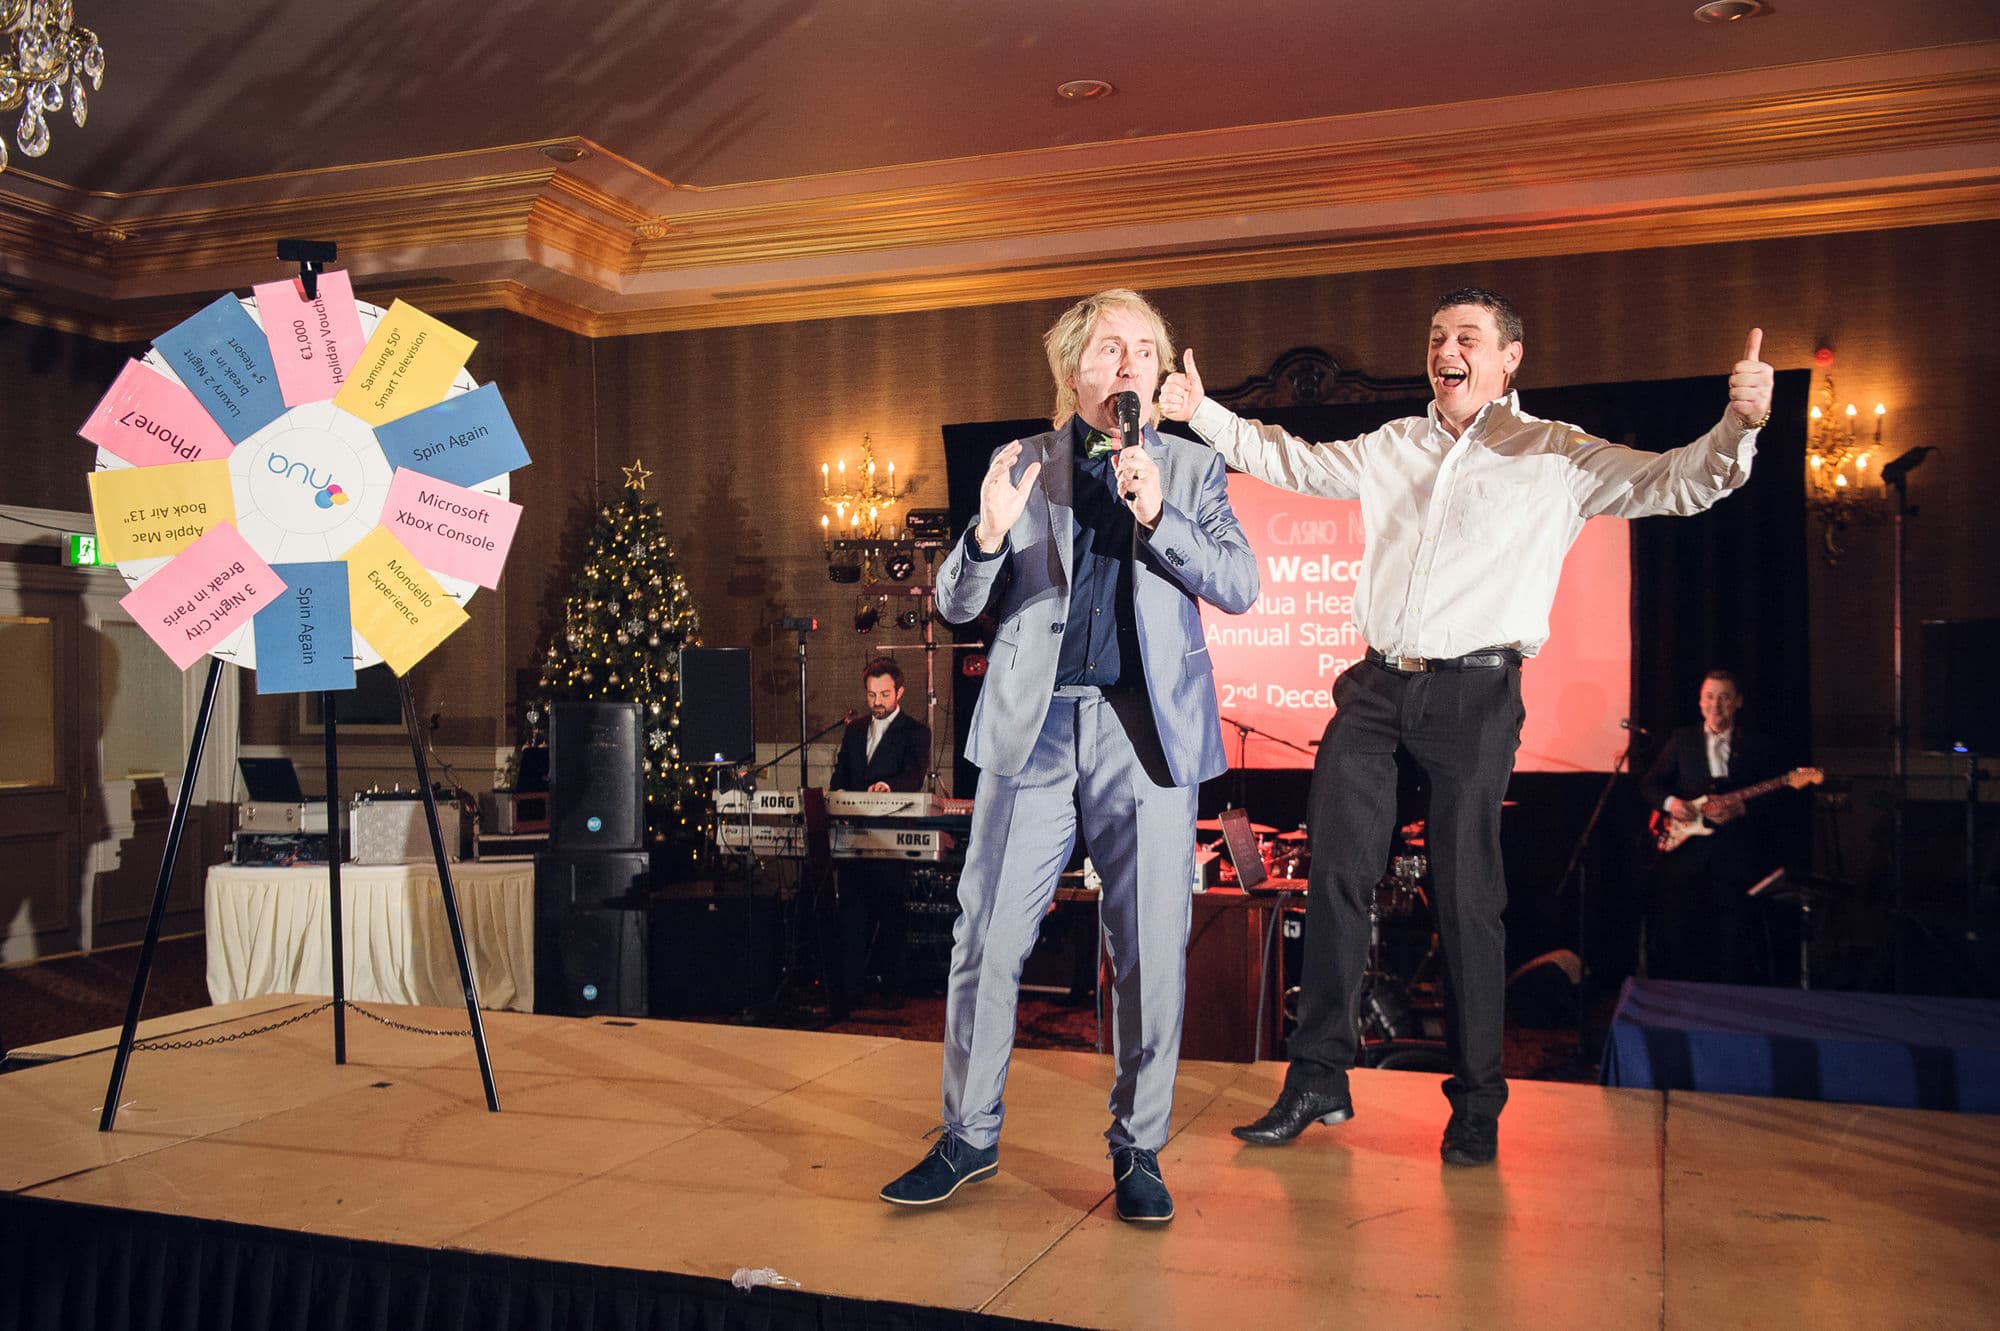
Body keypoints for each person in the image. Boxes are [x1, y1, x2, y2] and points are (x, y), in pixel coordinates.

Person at [1157, 287, 1773, 1166]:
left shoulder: (1553, 452)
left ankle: (1477, 1099)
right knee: (1333, 869)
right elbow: (1290, 462)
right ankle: (1318, 1075)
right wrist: (1204, 413)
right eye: (1438, 336)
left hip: (1477, 693)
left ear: (1509, 358)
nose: (1447, 349)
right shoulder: (1395, 444)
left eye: (1468, 338)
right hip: (1376, 686)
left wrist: (1739, 426)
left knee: (1465, 893)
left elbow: (1676, 481)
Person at [879, 288, 1258, 1223]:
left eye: (1144, 349)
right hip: (1034, 729)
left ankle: (1139, 1148)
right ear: (1072, 369)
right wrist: (986, 535)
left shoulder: (1194, 468)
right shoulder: (1021, 464)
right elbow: (958, 604)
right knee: (985, 937)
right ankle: (967, 1138)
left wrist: (1162, 514)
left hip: (1147, 734)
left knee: (1150, 951)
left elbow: (1241, 584)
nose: (1128, 363)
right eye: (1108, 348)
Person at [1640, 670, 1783, 984]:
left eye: (1724, 696)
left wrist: (1743, 807)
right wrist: (1672, 804)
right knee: (1680, 935)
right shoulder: (1683, 740)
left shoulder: (1757, 745)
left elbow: (1778, 798)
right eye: (1709, 696)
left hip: (1735, 858)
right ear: (1700, 701)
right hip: (1685, 856)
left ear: (1738, 702)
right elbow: (1650, 785)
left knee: (1732, 942)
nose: (1715, 704)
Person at [827, 656, 931, 1012]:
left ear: (899, 692)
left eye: (884, 694)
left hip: (891, 836)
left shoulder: (916, 732)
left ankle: (892, 993)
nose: (877, 701)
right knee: (851, 913)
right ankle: (851, 991)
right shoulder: (854, 729)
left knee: (891, 914)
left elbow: (914, 776)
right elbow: (841, 774)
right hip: (853, 834)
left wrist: (889, 785)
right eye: (872, 694)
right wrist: (837, 799)